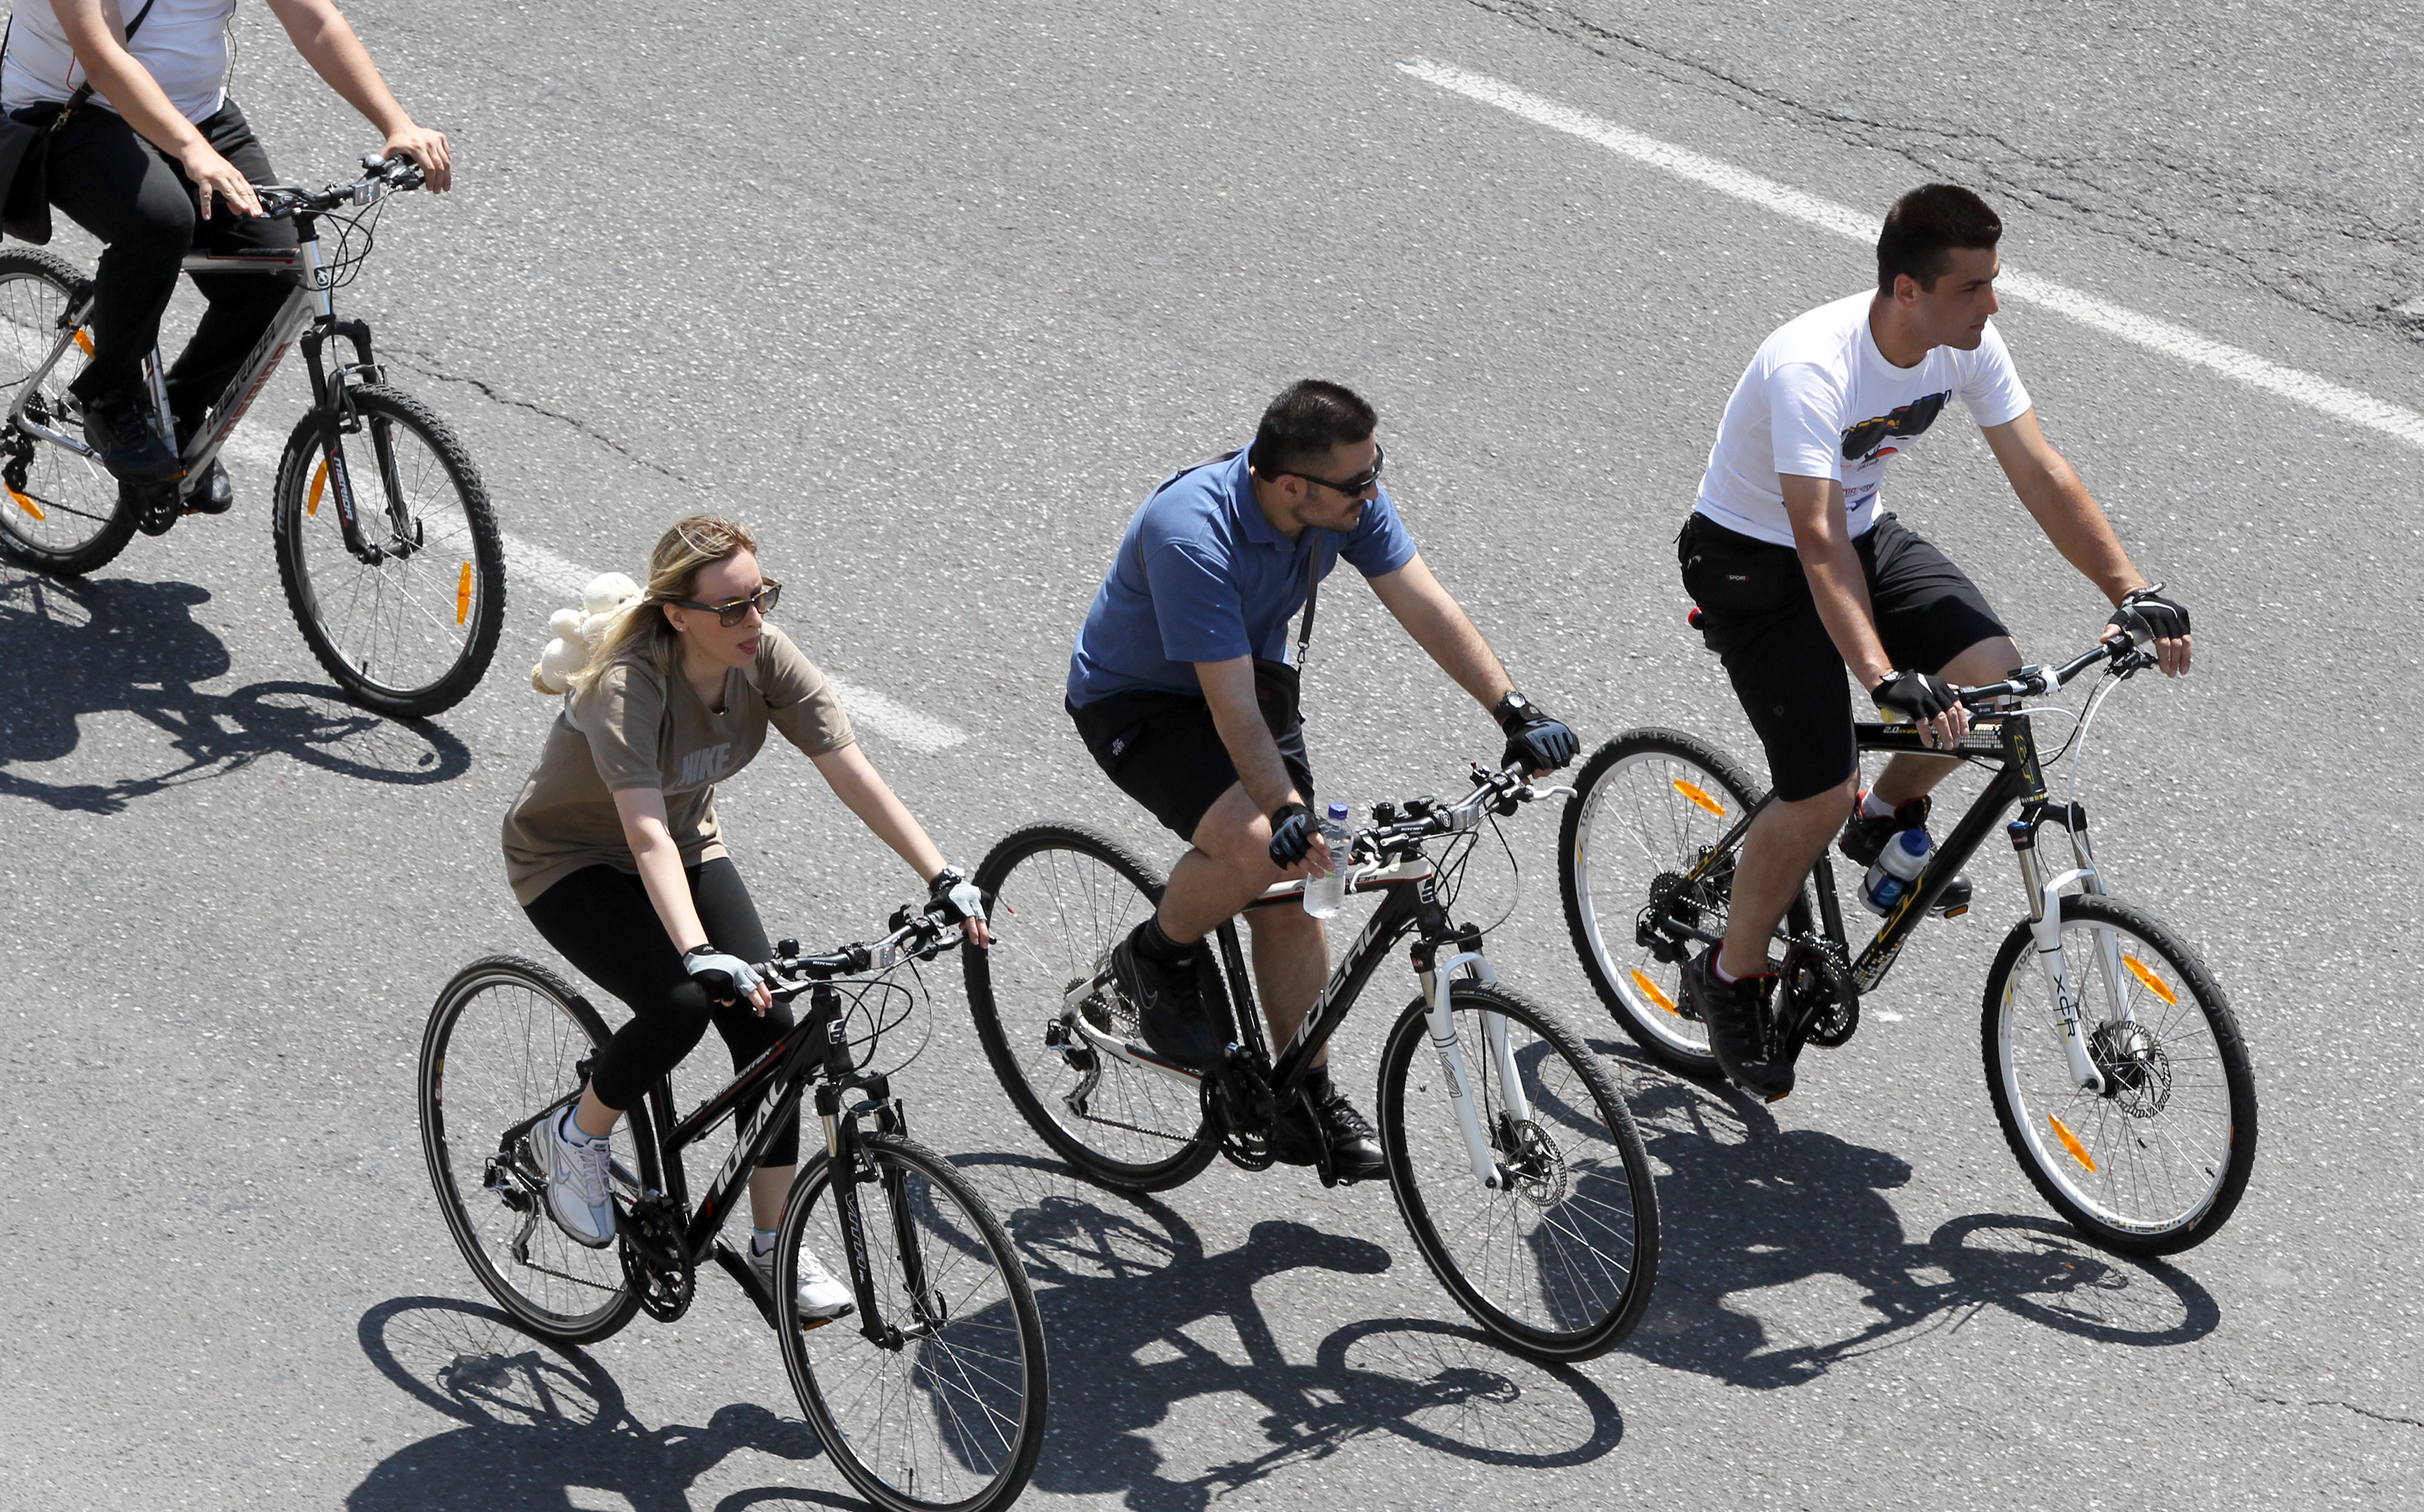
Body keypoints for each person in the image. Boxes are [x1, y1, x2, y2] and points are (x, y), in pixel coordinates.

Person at [1676, 183, 2194, 1103]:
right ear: (1907, 291)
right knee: (1815, 790)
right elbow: (1814, 538)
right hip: (1752, 560)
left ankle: (1884, 819)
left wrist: (2131, 588)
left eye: (1995, 283)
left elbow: (2039, 470)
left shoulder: (1965, 346)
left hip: (1859, 532)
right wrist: (1880, 678)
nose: (1993, 306)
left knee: (1991, 681)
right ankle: (1730, 971)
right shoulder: (1813, 366)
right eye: (1975, 288)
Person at [1067, 381, 1580, 1181]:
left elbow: (1425, 603)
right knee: (1262, 848)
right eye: (1357, 482)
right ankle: (1153, 958)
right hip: (1143, 703)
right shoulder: (1191, 534)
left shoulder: (1343, 500)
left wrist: (1512, 709)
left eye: (1377, 470)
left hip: (1250, 678)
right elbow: (1227, 705)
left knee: (1310, 878)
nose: (1373, 493)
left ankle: (1306, 1092)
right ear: (1290, 486)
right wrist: (1281, 811)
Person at [501, 516, 987, 1320]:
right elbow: (642, 830)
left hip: (686, 844)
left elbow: (849, 769)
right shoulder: (630, 684)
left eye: (760, 598)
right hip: (570, 859)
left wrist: (942, 873)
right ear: (678, 615)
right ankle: (576, 1135)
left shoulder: (761, 658)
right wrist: (695, 950)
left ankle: (774, 1250)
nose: (754, 620)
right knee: (681, 1005)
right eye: (731, 608)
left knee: (772, 1033)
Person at [0, 0, 451, 509]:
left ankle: (171, 420)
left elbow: (314, 18)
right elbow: (102, 57)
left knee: (278, 270)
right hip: (69, 118)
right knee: (161, 219)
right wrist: (192, 155)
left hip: (194, 114)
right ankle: (109, 397)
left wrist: (395, 121)